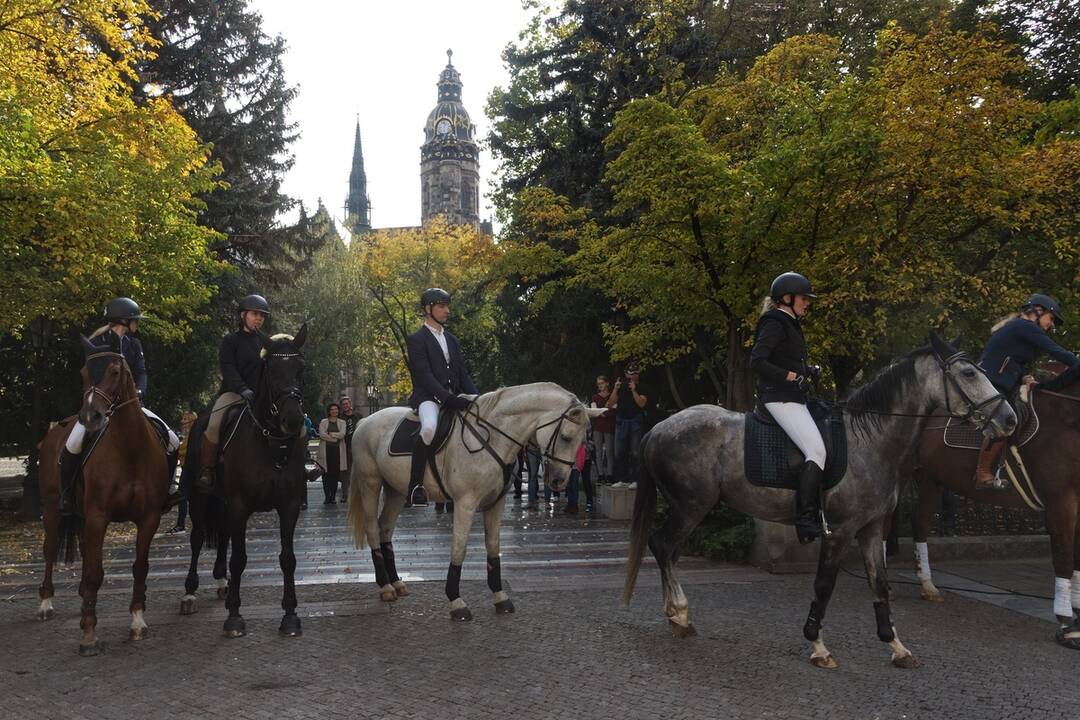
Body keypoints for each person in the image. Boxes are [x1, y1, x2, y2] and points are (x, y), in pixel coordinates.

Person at [59, 297, 181, 516]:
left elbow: (141, 371)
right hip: (101, 407)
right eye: (135, 320)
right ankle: (67, 493)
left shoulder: (134, 344)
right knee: (73, 442)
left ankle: (168, 489)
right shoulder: (97, 343)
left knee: (172, 439)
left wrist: (140, 391)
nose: (138, 324)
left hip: (130, 403)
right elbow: (92, 377)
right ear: (125, 320)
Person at [974, 293, 1080, 489]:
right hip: (990, 382)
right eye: (1051, 318)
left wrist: (1023, 376)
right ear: (1038, 311)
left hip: (1001, 381)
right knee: (1005, 419)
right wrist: (1076, 363)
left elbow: (1011, 359)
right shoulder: (1025, 326)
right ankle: (983, 473)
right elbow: (1056, 351)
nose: (1052, 325)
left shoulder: (1019, 328)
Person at [750, 271, 825, 544]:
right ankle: (804, 519)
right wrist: (792, 377)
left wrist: (808, 370)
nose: (807, 303)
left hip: (794, 397)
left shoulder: (791, 322)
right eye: (804, 299)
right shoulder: (775, 321)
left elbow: (787, 359)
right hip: (779, 398)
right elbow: (757, 361)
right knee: (816, 451)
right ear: (787, 298)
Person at [404, 287, 477, 507]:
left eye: (447, 306)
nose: (447, 310)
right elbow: (424, 375)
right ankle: (415, 486)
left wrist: (476, 398)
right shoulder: (417, 339)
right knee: (428, 428)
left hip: (452, 396)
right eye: (441, 306)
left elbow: (462, 373)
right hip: (428, 398)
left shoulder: (452, 340)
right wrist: (447, 399)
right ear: (428, 309)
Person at [194, 294, 270, 494]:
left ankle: (302, 462)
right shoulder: (231, 340)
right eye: (255, 314)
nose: (259, 318)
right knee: (212, 424)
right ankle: (207, 470)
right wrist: (242, 388)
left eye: (262, 315)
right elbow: (228, 368)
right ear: (243, 315)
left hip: (262, 397)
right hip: (234, 394)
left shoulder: (267, 342)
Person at [606, 362, 649, 487]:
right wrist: (615, 389)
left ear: (638, 374)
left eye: (634, 374)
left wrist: (634, 390)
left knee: (636, 452)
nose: (632, 377)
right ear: (625, 374)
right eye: (630, 374)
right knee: (619, 452)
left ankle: (636, 479)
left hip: (635, 422)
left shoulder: (642, 387)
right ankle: (622, 479)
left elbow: (641, 403)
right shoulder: (621, 387)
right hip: (621, 421)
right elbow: (610, 404)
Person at [169, 410, 198, 533]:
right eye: (183, 418)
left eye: (185, 419)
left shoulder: (195, 435)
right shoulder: (188, 436)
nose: (182, 421)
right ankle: (181, 524)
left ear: (193, 421)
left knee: (186, 497)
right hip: (187, 470)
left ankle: (183, 524)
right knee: (183, 498)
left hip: (193, 471)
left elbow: (186, 451)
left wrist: (175, 452)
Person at [317, 403, 348, 504]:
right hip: (326, 451)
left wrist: (330, 434)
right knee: (325, 475)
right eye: (332, 409)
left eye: (336, 409)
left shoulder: (342, 422)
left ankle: (333, 497)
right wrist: (335, 438)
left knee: (335, 475)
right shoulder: (323, 422)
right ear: (329, 411)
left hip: (337, 452)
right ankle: (327, 497)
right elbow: (322, 435)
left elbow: (342, 434)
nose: (334, 411)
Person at [590, 376, 616, 484]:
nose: (600, 385)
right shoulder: (595, 397)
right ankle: (600, 475)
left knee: (609, 451)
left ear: (607, 383)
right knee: (598, 451)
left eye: (602, 383)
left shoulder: (612, 396)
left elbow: (614, 410)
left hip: (609, 426)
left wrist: (604, 412)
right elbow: (594, 411)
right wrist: (604, 412)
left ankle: (610, 474)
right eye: (598, 384)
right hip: (598, 426)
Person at [339, 396, 358, 503]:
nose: (345, 406)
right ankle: (345, 494)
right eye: (343, 404)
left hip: (358, 446)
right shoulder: (340, 418)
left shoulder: (358, 416)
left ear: (350, 404)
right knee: (345, 471)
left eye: (347, 403)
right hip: (345, 446)